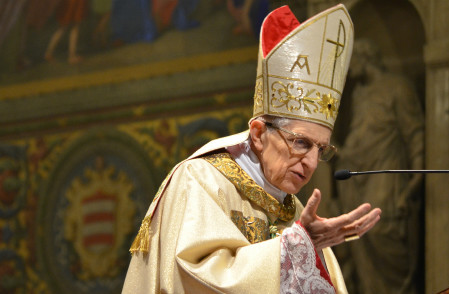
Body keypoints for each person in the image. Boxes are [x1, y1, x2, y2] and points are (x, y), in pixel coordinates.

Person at [122, 5, 381, 293]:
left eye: (321, 150)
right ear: (258, 133)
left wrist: (307, 246)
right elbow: (194, 278)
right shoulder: (199, 181)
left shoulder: (294, 212)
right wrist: (296, 247)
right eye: (301, 143)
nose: (311, 162)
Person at [334, 39, 424, 294]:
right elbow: (361, 133)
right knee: (356, 238)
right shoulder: (359, 93)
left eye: (351, 64)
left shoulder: (397, 87)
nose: (349, 72)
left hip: (386, 172)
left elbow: (414, 133)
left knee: (381, 231)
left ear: (365, 59)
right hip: (355, 175)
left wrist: (416, 179)